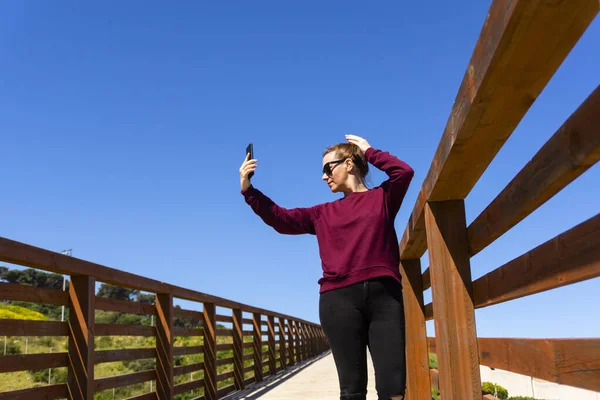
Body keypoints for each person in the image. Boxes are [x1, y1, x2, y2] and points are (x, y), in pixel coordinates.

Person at [239, 134, 414, 400]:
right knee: (352, 392)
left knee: (394, 391)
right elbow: (280, 218)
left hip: (385, 299)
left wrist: (369, 151)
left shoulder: (383, 198)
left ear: (349, 164)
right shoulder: (322, 214)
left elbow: (404, 172)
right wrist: (248, 190)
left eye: (327, 168)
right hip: (338, 302)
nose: (324, 176)